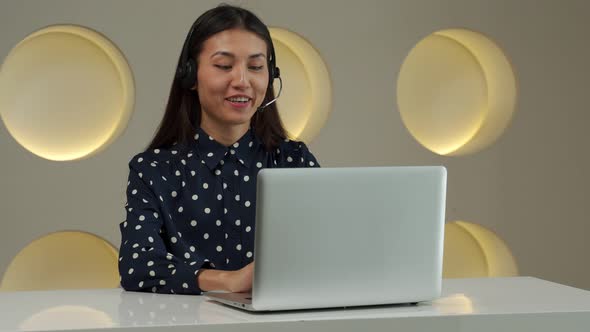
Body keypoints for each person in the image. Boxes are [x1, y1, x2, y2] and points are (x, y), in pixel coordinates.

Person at [118, 4, 320, 295]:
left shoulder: (294, 160)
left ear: (270, 76)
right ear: (190, 75)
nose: (242, 81)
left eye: (255, 67)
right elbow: (138, 266)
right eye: (224, 66)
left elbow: (328, 251)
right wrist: (227, 281)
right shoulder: (153, 170)